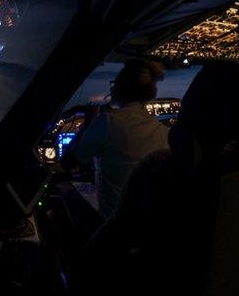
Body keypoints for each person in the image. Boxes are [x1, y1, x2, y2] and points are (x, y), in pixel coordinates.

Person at [72, 59, 169, 218]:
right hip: (149, 221)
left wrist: (87, 125)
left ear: (119, 87)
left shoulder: (109, 121)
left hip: (114, 222)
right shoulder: (162, 131)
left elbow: (73, 160)